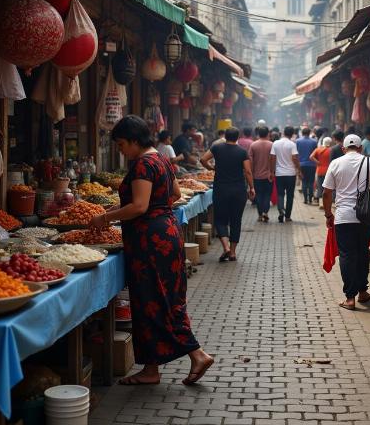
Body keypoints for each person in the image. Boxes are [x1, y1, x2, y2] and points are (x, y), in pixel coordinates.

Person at [89, 115, 213, 385]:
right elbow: (175, 194)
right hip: (165, 233)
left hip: (149, 242)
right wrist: (125, 209)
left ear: (134, 140)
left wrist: (105, 218)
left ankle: (196, 354)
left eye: (122, 144)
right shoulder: (161, 159)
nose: (120, 150)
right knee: (156, 300)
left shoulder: (144, 163)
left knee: (155, 300)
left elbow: (139, 207)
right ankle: (151, 369)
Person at [322, 134, 370, 310]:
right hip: (366, 218)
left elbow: (326, 193)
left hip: (344, 217)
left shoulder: (336, 163)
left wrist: (328, 215)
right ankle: (362, 291)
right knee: (362, 253)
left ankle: (350, 298)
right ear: (360, 148)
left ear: (343, 149)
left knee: (347, 255)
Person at [200, 127, 255, 261]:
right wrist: (252, 188)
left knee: (220, 219)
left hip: (221, 189)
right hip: (239, 190)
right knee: (236, 221)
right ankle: (233, 253)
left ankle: (226, 248)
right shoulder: (242, 152)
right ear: (237, 137)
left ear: (225, 135)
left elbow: (203, 159)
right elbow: (248, 171)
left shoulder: (217, 148)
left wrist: (211, 168)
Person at [270, 126, 300, 223]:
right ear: (292, 134)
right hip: (291, 174)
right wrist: (299, 169)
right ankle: (287, 216)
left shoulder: (275, 143)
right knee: (290, 195)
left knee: (280, 194)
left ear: (283, 132)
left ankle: (280, 211)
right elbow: (295, 158)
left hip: (279, 173)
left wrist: (271, 171)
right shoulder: (292, 144)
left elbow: (272, 158)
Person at [249, 126, 273, 221]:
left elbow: (250, 161)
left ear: (258, 134)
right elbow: (273, 159)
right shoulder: (271, 145)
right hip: (268, 175)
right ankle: (265, 212)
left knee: (259, 195)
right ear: (268, 134)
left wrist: (251, 173)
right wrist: (272, 172)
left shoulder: (253, 145)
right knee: (267, 195)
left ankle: (259, 215)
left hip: (256, 175)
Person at [296, 127, 318, 204]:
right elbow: (316, 154)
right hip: (312, 164)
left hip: (301, 164)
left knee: (304, 182)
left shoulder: (298, 141)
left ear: (302, 133)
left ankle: (305, 199)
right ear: (309, 133)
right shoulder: (314, 142)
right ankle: (310, 199)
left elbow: (296, 154)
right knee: (311, 182)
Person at [310, 136, 332, 209]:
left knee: (320, 186)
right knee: (328, 187)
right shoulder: (331, 150)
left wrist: (318, 162)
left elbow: (311, 157)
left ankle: (321, 203)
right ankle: (327, 203)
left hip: (319, 170)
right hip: (329, 171)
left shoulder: (318, 149)